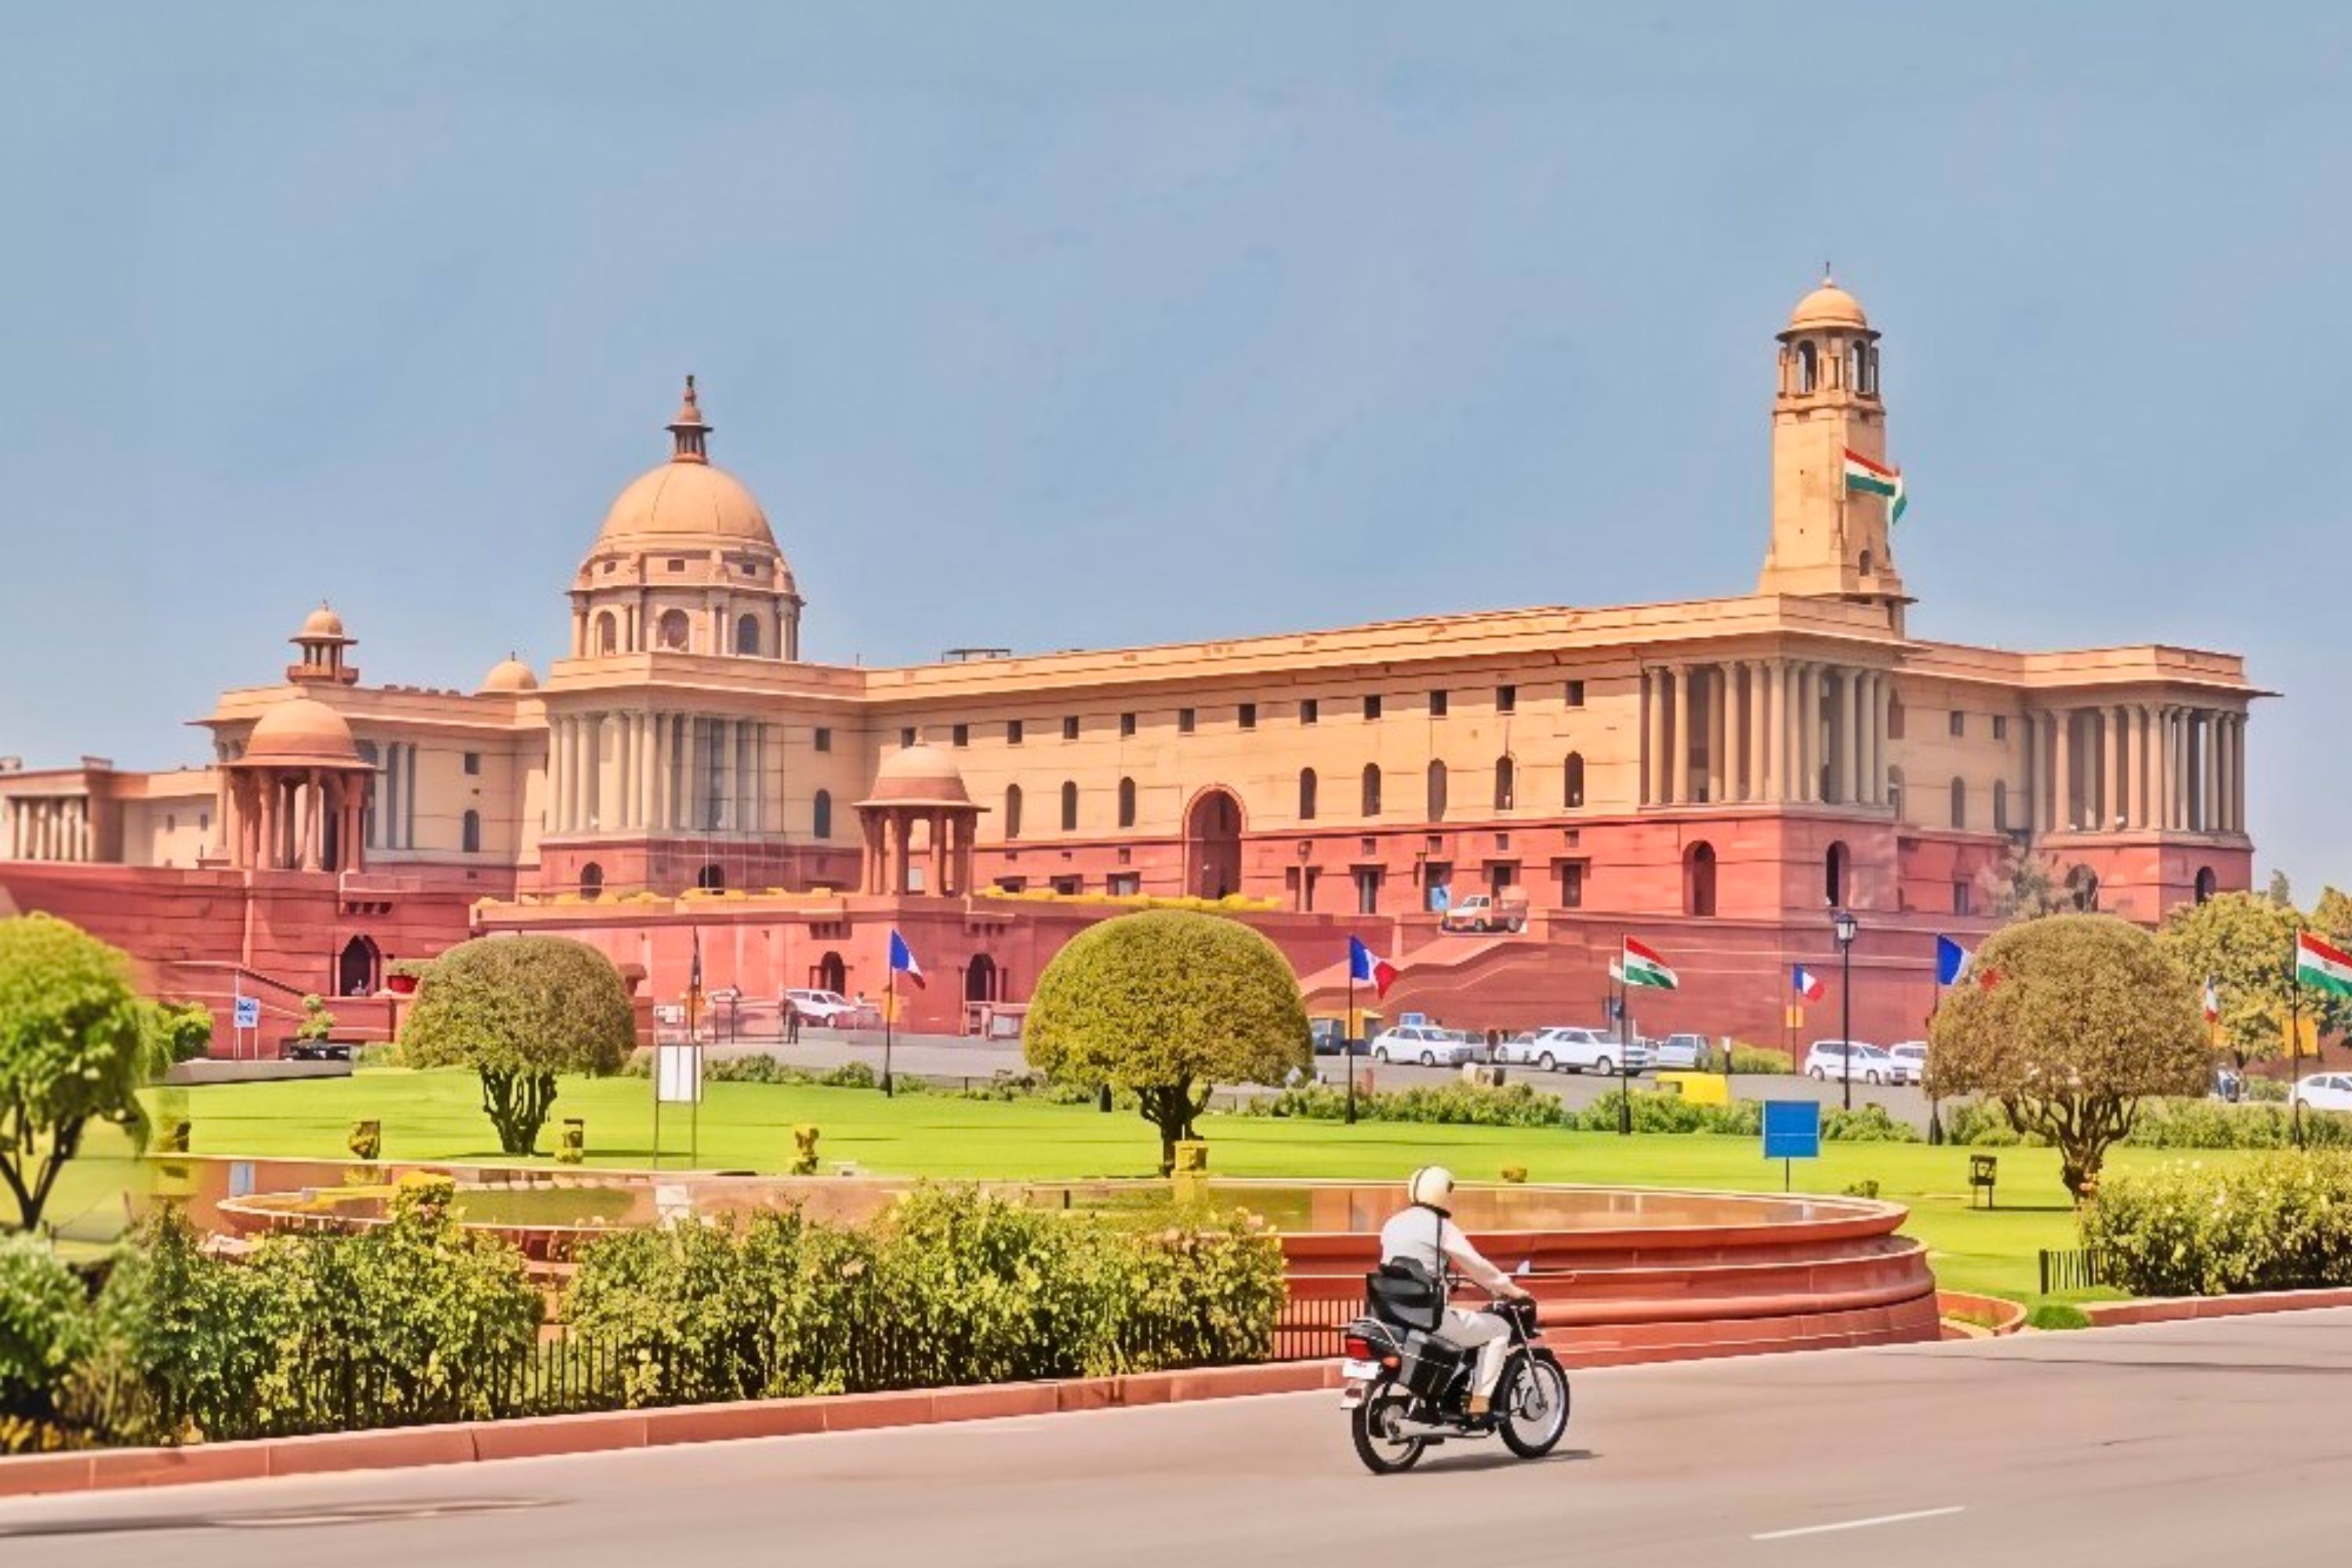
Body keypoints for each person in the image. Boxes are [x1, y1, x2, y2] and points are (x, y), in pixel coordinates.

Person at [1378, 1166, 1530, 1418]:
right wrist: (1510, 1289)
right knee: (1499, 1329)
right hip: (1427, 1316)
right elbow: (1477, 1266)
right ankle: (1479, 1405)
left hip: (1393, 1313)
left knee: (1460, 1329)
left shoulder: (1392, 1224)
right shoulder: (1441, 1227)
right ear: (1442, 1193)